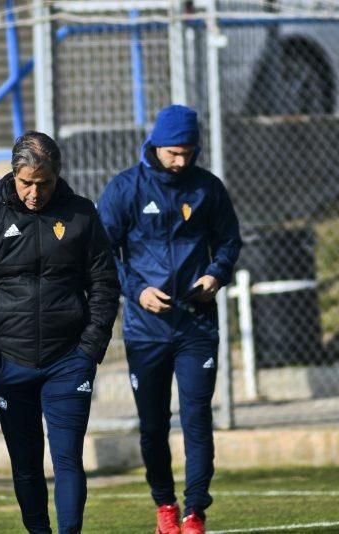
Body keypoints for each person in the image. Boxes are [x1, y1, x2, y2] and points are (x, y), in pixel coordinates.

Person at [0, 131, 121, 533]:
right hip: (9, 365)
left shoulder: (82, 214)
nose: (34, 192)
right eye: (27, 182)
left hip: (68, 361)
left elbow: (104, 283)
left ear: (57, 175)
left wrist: (89, 349)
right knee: (27, 465)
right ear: (14, 174)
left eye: (43, 183)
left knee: (67, 459)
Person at [97, 105, 242, 534]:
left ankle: (195, 511)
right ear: (156, 145)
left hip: (197, 326)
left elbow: (230, 241)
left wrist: (216, 274)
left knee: (197, 417)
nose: (181, 161)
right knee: (154, 424)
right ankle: (165, 507)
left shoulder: (207, 189)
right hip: (146, 330)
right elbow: (103, 253)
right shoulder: (126, 189)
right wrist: (137, 291)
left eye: (188, 153)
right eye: (174, 153)